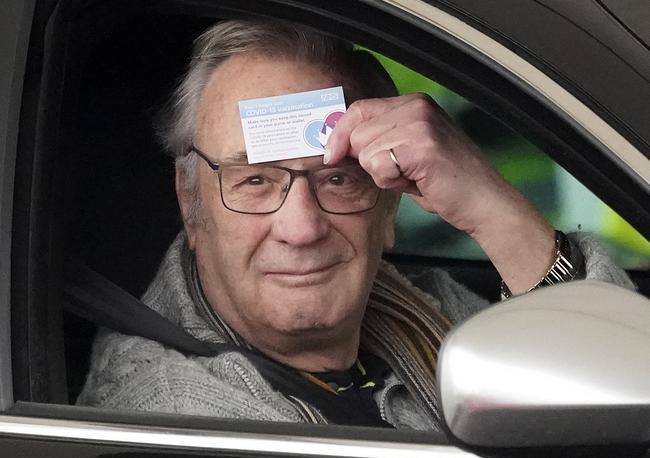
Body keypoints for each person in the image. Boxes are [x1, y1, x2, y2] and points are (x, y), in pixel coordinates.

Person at [77, 19, 633, 428]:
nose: (301, 227)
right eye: (254, 181)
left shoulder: (408, 302)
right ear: (191, 204)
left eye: (339, 179)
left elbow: (620, 394)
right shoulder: (177, 413)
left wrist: (495, 207)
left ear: (389, 208)